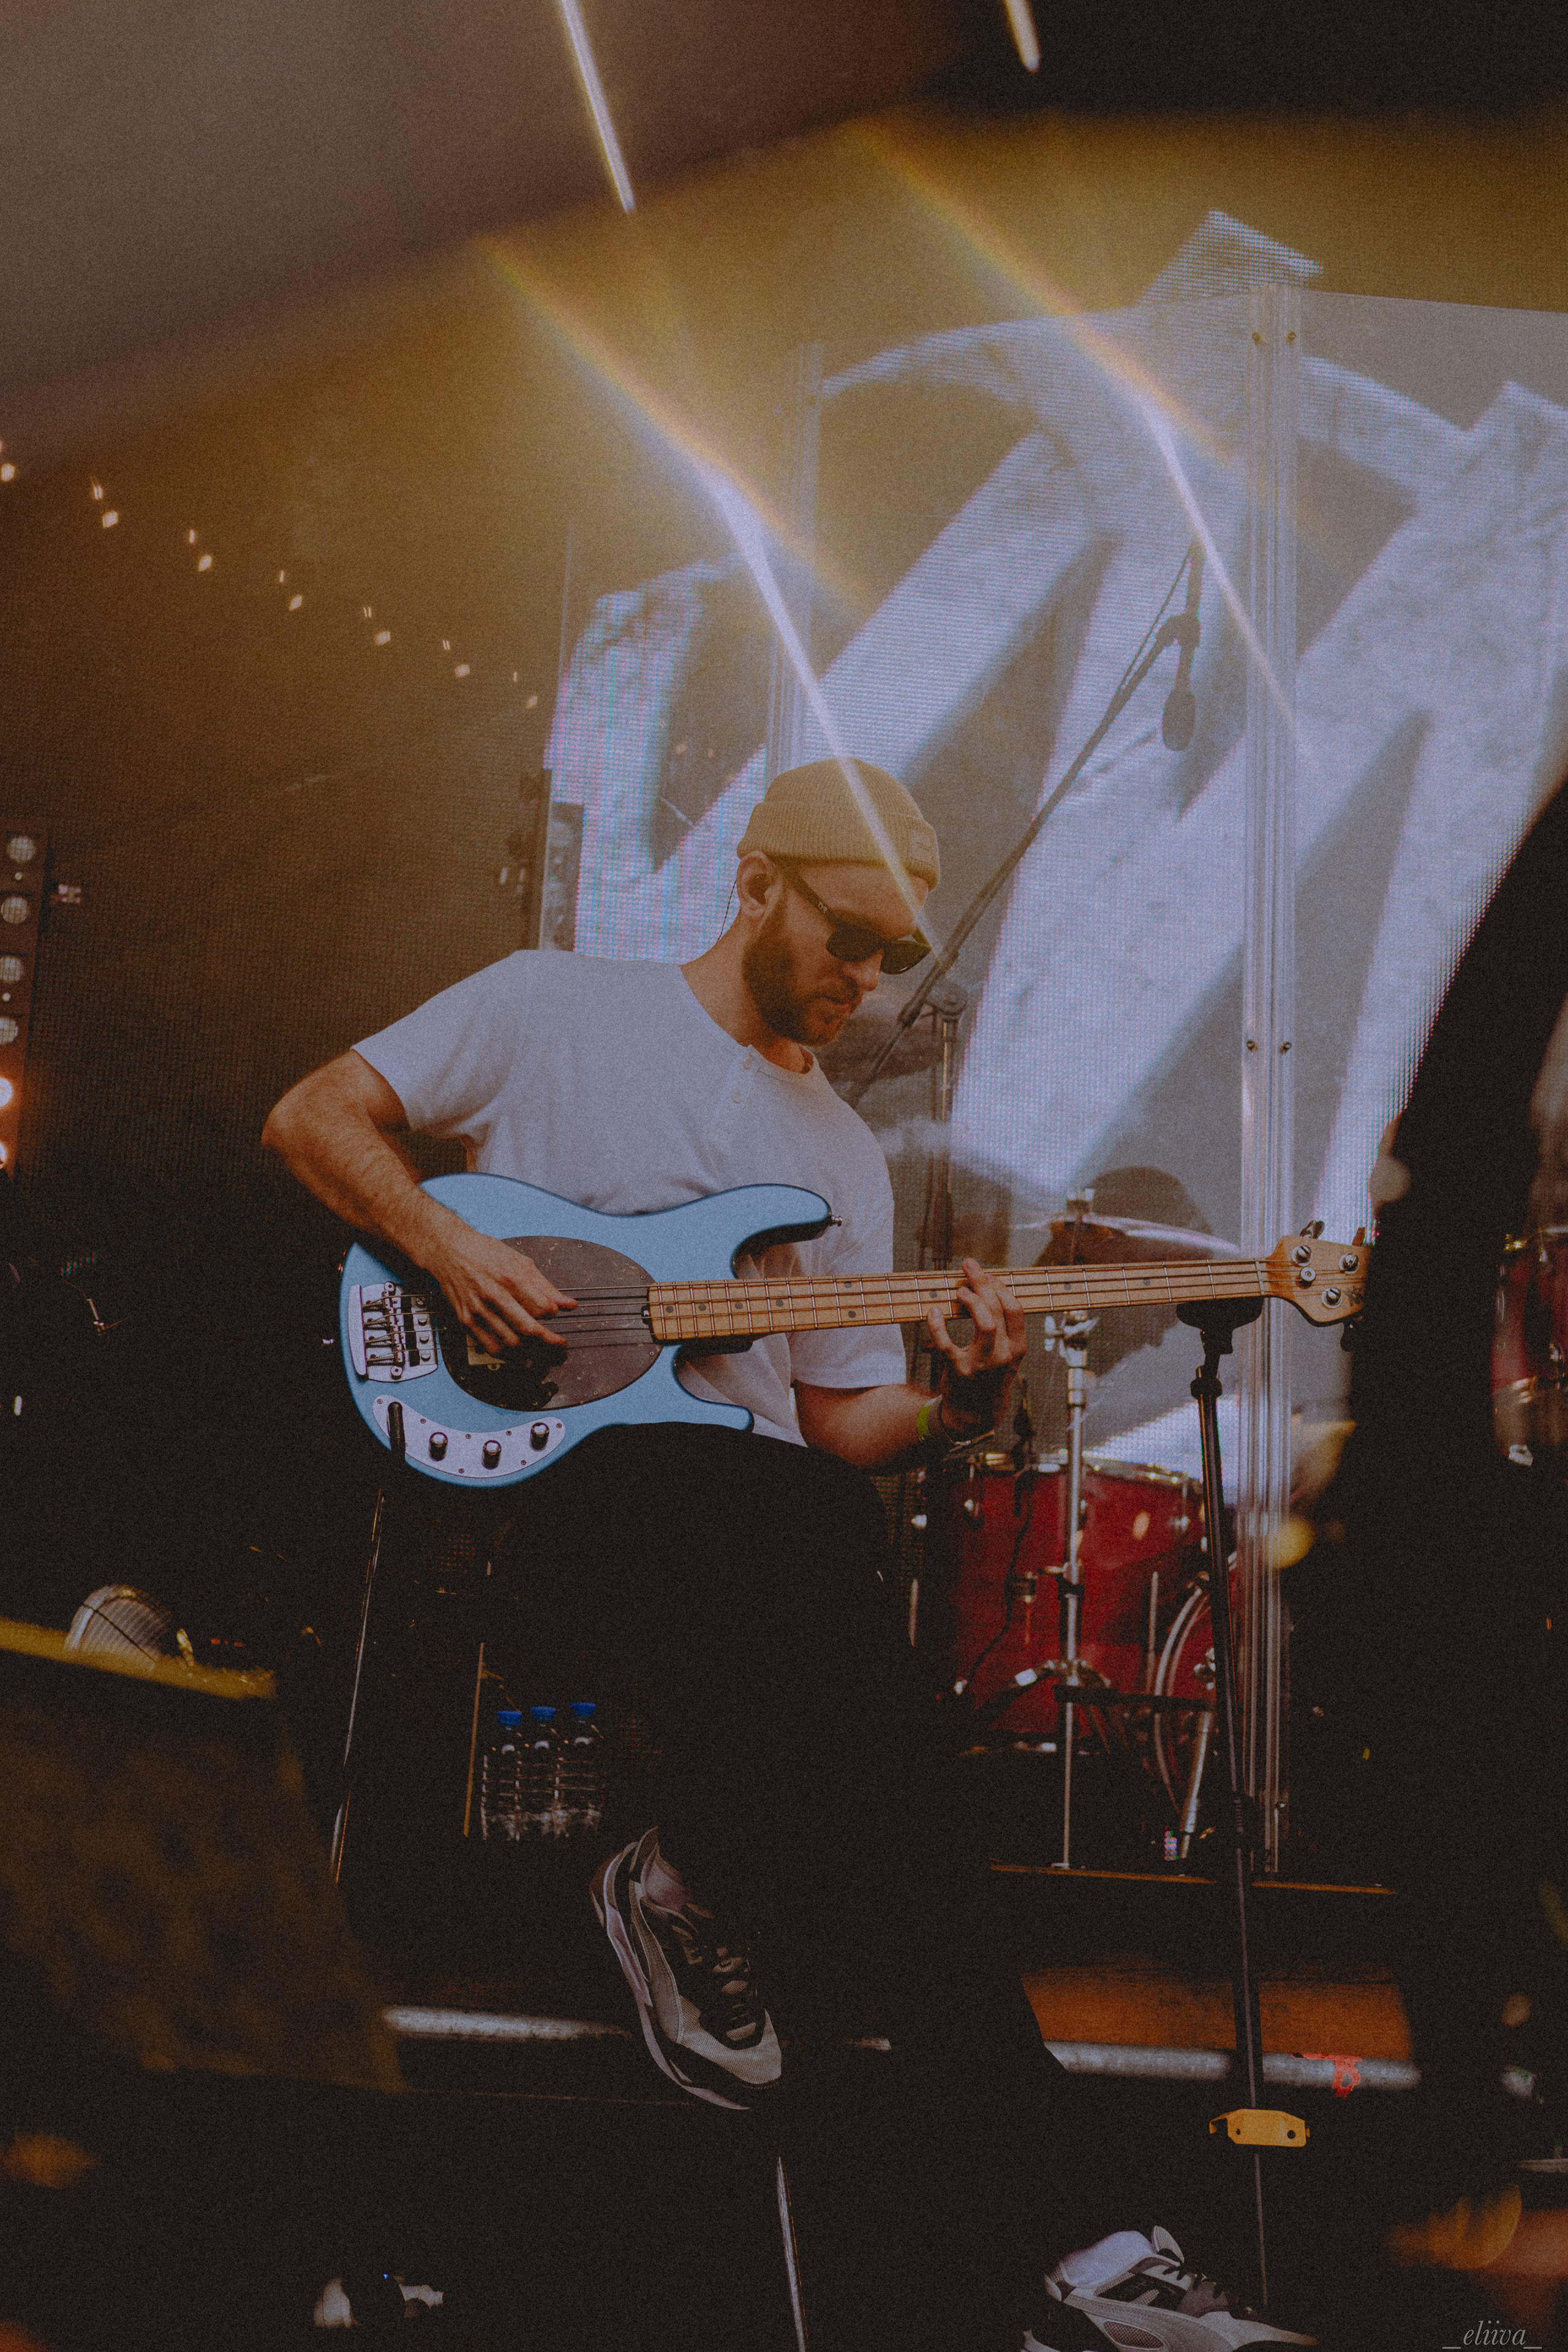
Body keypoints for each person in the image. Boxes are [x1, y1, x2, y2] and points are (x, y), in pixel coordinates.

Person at [264, 758, 1309, 2352]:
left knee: (860, 1719)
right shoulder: (553, 1008)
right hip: (555, 1501)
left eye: (897, 952)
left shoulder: (835, 1154)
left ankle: (711, 1892)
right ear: (756, 881)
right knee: (863, 1723)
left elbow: (834, 1429)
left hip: (758, 1541)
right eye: (847, 934)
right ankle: (1088, 2254)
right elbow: (313, 1115)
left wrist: (960, 1402)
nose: (870, 978)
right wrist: (456, 1251)